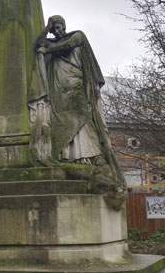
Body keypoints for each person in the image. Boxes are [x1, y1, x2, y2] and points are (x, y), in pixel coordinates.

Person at [35, 15, 126, 208]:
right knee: (62, 124)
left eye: (59, 26)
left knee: (84, 121)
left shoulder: (77, 36)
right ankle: (69, 156)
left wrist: (49, 48)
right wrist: (46, 28)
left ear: (64, 26)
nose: (57, 30)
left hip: (76, 88)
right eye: (54, 28)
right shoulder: (50, 41)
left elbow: (67, 45)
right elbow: (37, 45)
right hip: (58, 92)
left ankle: (89, 157)